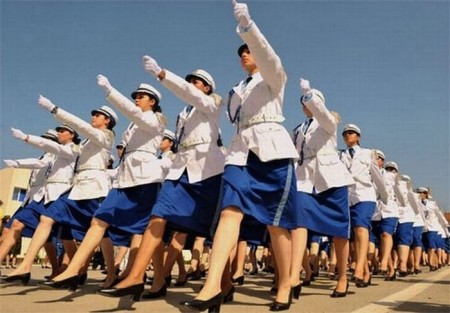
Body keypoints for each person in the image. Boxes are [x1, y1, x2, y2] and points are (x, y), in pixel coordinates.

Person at [181, 1, 299, 312]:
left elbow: (268, 55)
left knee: (276, 224)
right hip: (240, 153)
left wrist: (248, 28)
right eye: (241, 52)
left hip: (272, 150)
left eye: (247, 49)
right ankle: (212, 285)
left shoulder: (274, 76)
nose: (244, 54)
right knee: (229, 213)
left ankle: (286, 282)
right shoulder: (236, 91)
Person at [98, 55, 224, 302]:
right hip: (180, 169)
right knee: (158, 216)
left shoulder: (212, 103)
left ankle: (224, 283)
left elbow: (191, 94)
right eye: (190, 81)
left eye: (196, 82)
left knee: (216, 230)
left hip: (208, 171)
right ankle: (135, 276)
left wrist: (163, 74)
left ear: (207, 88)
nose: (191, 84)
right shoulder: (184, 113)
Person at [40, 76, 166, 290]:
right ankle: (73, 269)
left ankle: (157, 278)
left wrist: (110, 91)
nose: (136, 99)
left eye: (141, 97)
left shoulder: (155, 120)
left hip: (146, 179)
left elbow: (132, 114)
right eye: (135, 96)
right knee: (99, 220)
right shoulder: (133, 126)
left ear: (152, 101)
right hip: (123, 180)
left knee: (145, 232)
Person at [1, 96, 117, 288]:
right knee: (47, 219)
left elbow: (82, 127)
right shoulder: (85, 143)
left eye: (98, 115)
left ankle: (112, 272)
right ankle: (26, 266)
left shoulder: (106, 136)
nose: (94, 117)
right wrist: (27, 138)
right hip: (76, 190)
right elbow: (54, 148)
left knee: (101, 233)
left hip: (95, 189)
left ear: (107, 121)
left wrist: (55, 110)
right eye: (94, 114)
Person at [292, 79, 355, 300]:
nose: (307, 104)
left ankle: (342, 277)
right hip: (305, 181)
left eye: (310, 101)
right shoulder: (298, 130)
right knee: (298, 223)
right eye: (304, 101)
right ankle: (294, 276)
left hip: (331, 181)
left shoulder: (328, 122)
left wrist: (310, 93)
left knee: (338, 231)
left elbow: (320, 110)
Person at [0, 124, 80, 284]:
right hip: (41, 196)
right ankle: (27, 268)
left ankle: (78, 268)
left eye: (62, 131)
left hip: (59, 195)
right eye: (58, 131)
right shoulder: (52, 155)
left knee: (65, 237)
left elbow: (45, 151)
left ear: (71, 135)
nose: (59, 133)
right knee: (16, 225)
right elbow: (39, 163)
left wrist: (26, 138)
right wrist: (16, 163)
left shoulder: (72, 149)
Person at [340, 123, 388, 288]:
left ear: (358, 137)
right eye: (345, 134)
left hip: (365, 195)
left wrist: (384, 196)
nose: (348, 136)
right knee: (355, 235)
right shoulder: (341, 155)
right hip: (348, 197)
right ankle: (366, 272)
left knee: (361, 228)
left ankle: (359, 267)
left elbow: (377, 176)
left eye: (352, 133)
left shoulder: (368, 154)